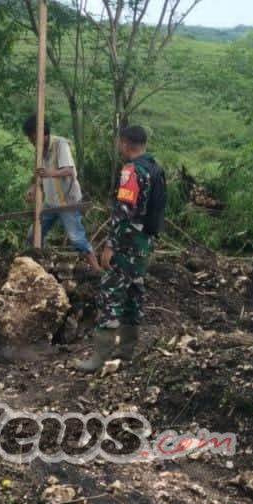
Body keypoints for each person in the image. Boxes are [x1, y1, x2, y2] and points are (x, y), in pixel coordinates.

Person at [76, 125, 166, 373]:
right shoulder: (155, 169)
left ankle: (100, 358)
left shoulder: (132, 171)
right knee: (135, 293)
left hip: (126, 243)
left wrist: (109, 245)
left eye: (120, 144)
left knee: (110, 293)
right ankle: (126, 351)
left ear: (126, 144)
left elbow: (123, 211)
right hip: (144, 243)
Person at [22, 114, 100, 271]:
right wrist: (33, 188)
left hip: (67, 202)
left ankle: (97, 269)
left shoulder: (60, 144)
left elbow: (69, 171)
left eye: (31, 138)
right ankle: (43, 263)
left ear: (40, 134)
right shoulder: (39, 151)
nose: (30, 142)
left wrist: (50, 173)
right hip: (51, 202)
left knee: (76, 238)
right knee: (34, 235)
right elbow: (39, 175)